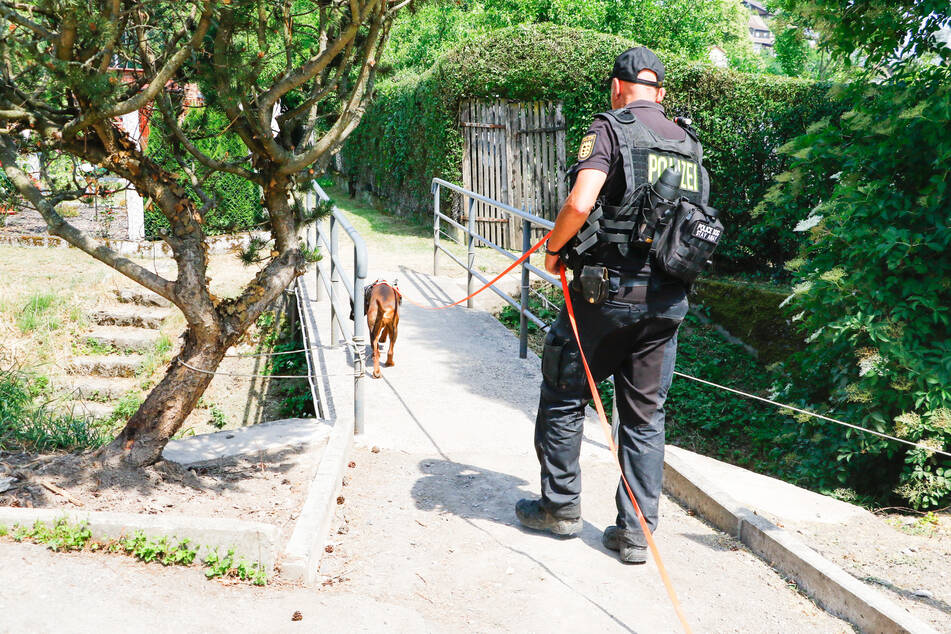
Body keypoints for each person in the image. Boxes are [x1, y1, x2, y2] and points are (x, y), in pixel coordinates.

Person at [515, 47, 709, 564]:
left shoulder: (610, 128)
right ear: (661, 94)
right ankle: (634, 534)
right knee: (645, 418)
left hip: (607, 297)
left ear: (616, 87)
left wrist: (554, 251)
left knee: (563, 392)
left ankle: (559, 510)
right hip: (667, 301)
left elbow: (581, 202)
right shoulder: (688, 143)